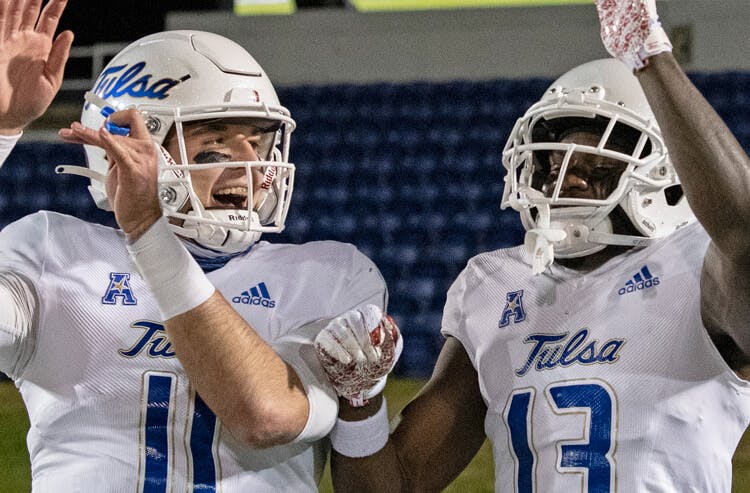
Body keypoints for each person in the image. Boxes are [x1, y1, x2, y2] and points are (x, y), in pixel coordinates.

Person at [314, 0, 750, 491]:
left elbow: (744, 234)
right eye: (553, 164)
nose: (569, 181)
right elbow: (397, 484)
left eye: (595, 166)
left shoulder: (699, 267)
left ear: (665, 176)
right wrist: (362, 404)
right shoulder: (497, 284)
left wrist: (648, 54)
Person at [0, 0, 399, 490]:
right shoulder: (50, 250)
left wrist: (149, 229)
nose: (252, 166)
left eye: (260, 142)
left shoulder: (331, 274)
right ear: (123, 146)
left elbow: (266, 415)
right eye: (215, 144)